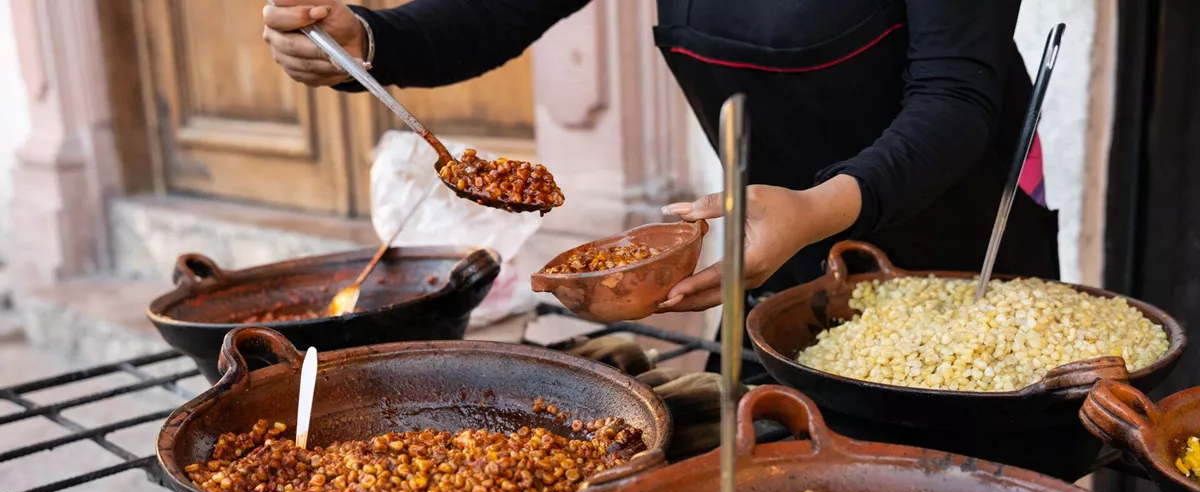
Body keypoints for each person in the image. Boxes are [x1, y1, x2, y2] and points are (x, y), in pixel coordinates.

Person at [263, 0, 1059, 370]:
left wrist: (817, 209)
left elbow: (956, 101)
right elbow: (489, 15)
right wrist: (363, 38)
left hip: (959, 265)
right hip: (771, 248)